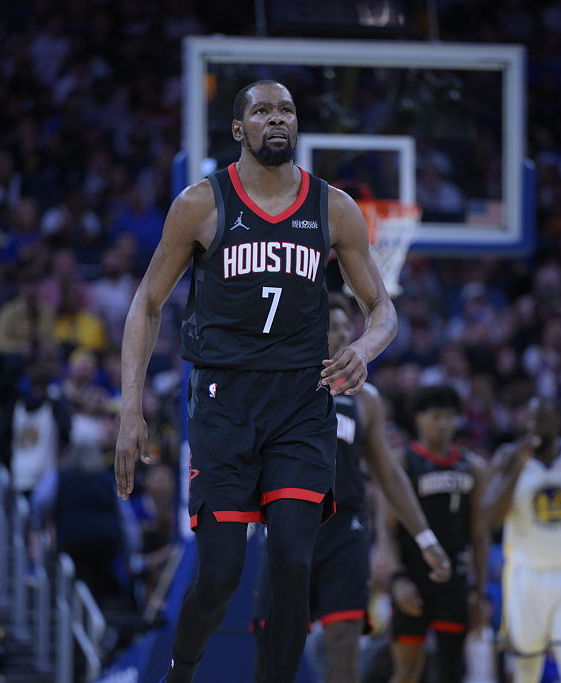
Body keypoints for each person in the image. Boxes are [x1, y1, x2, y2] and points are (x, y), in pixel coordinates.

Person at [115, 80, 410, 683]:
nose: (276, 119)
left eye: (285, 110)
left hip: (302, 403)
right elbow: (145, 304)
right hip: (225, 402)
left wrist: (365, 347)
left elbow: (382, 309)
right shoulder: (201, 204)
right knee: (221, 571)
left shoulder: (334, 208)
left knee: (293, 565)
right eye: (261, 111)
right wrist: (130, 412)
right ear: (238, 129)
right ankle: (181, 669)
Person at [253, 295, 451, 683]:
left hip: (345, 530)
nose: (344, 333)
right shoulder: (276, 384)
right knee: (274, 653)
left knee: (344, 646)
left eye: (347, 326)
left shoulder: (367, 399)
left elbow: (390, 476)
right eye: (334, 327)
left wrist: (425, 537)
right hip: (289, 528)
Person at [484, 397, 561, 683]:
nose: (534, 427)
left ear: (558, 423)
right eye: (529, 420)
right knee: (525, 669)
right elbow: (490, 519)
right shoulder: (508, 457)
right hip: (523, 575)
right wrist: (519, 467)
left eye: (541, 419)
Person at [376, 384, 489, 683]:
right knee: (406, 672)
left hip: (454, 579)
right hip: (412, 576)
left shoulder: (473, 468)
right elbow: (385, 531)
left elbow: (479, 535)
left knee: (452, 672)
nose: (444, 423)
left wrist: (479, 592)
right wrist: (397, 579)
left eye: (450, 417)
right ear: (419, 419)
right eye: (437, 416)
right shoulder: (402, 463)